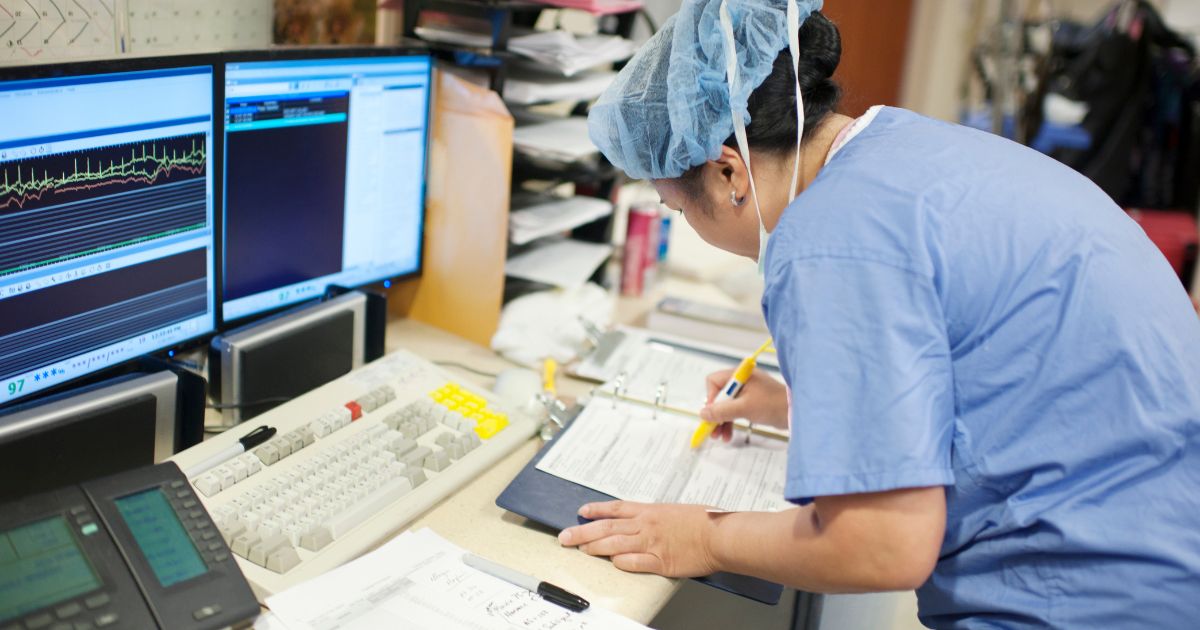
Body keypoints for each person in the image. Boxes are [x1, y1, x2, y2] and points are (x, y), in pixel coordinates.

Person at [555, 0, 1200, 627]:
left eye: (677, 207)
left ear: (729, 174)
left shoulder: (826, 239)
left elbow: (883, 543)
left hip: (1093, 592)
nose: (686, 223)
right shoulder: (901, 147)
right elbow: (995, 366)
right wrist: (805, 406)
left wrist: (703, 537)